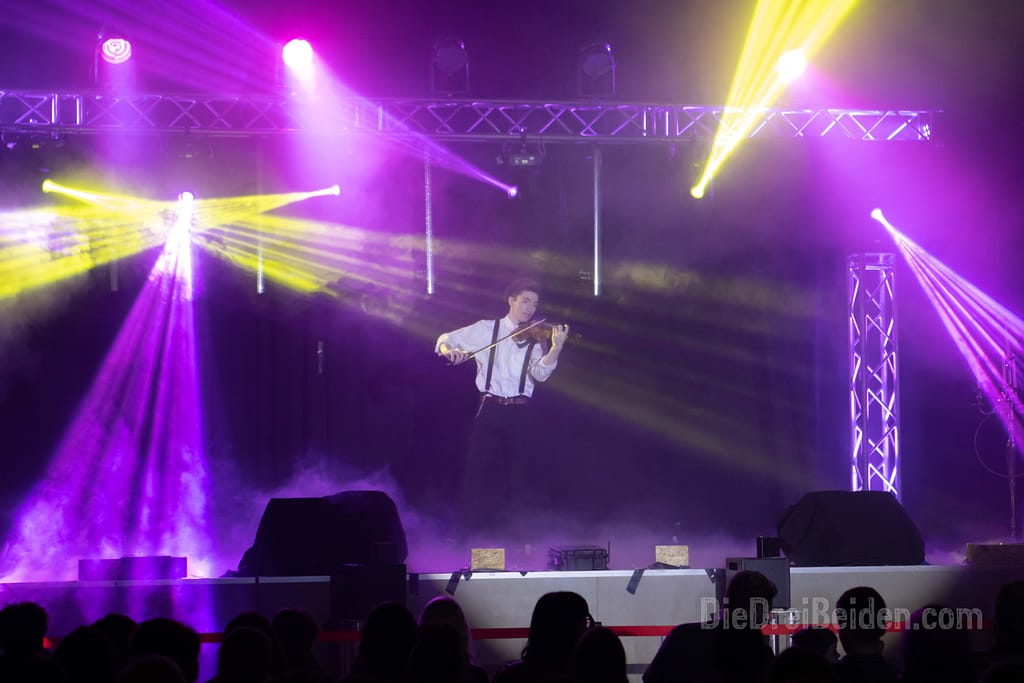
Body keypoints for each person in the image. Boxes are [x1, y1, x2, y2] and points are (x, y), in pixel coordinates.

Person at [435, 278, 569, 533]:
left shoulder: (535, 337)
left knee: (521, 478)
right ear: (511, 300)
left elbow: (540, 374)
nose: (530, 308)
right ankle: (469, 534)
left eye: (535, 303)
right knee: (477, 474)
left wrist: (556, 347)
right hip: (489, 409)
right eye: (525, 301)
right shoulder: (487, 329)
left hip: (520, 412)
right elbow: (447, 339)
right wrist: (448, 350)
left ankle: (521, 537)